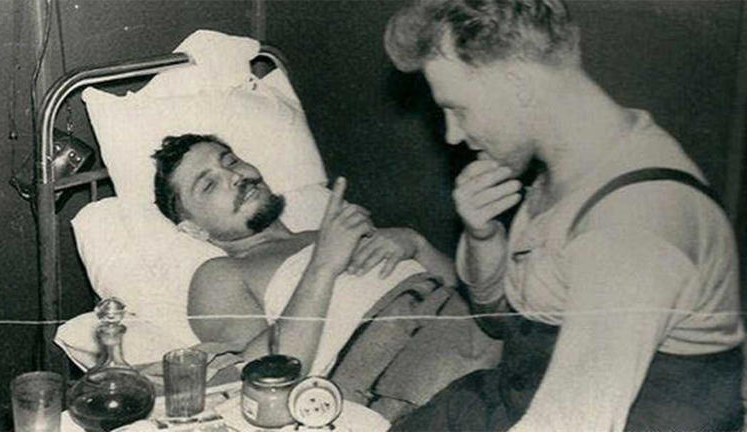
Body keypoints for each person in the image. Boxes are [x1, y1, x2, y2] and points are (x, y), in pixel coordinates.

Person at [384, 0, 744, 431]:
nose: (452, 134)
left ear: (518, 86)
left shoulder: (634, 224)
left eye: (457, 109)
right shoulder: (577, 167)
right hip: (510, 403)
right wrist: (483, 238)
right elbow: (504, 324)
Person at [151, 133, 459, 378]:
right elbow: (263, 377)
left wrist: (417, 244)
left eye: (231, 161)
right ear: (194, 230)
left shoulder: (328, 234)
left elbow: (476, 300)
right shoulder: (221, 274)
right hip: (418, 368)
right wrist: (323, 265)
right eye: (208, 184)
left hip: (464, 329)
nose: (234, 176)